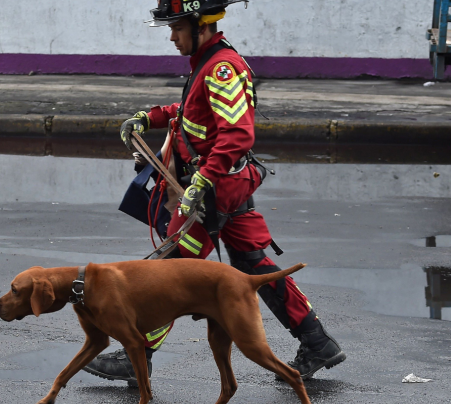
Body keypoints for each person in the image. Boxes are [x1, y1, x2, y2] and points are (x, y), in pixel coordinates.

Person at [84, 0, 346, 385]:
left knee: (169, 271)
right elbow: (193, 112)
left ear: (199, 24)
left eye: (176, 27)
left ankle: (137, 353)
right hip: (223, 185)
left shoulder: (221, 67)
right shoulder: (206, 64)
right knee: (255, 265)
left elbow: (238, 134)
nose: (171, 36)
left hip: (212, 190)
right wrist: (150, 117)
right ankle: (317, 342)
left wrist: (203, 181)